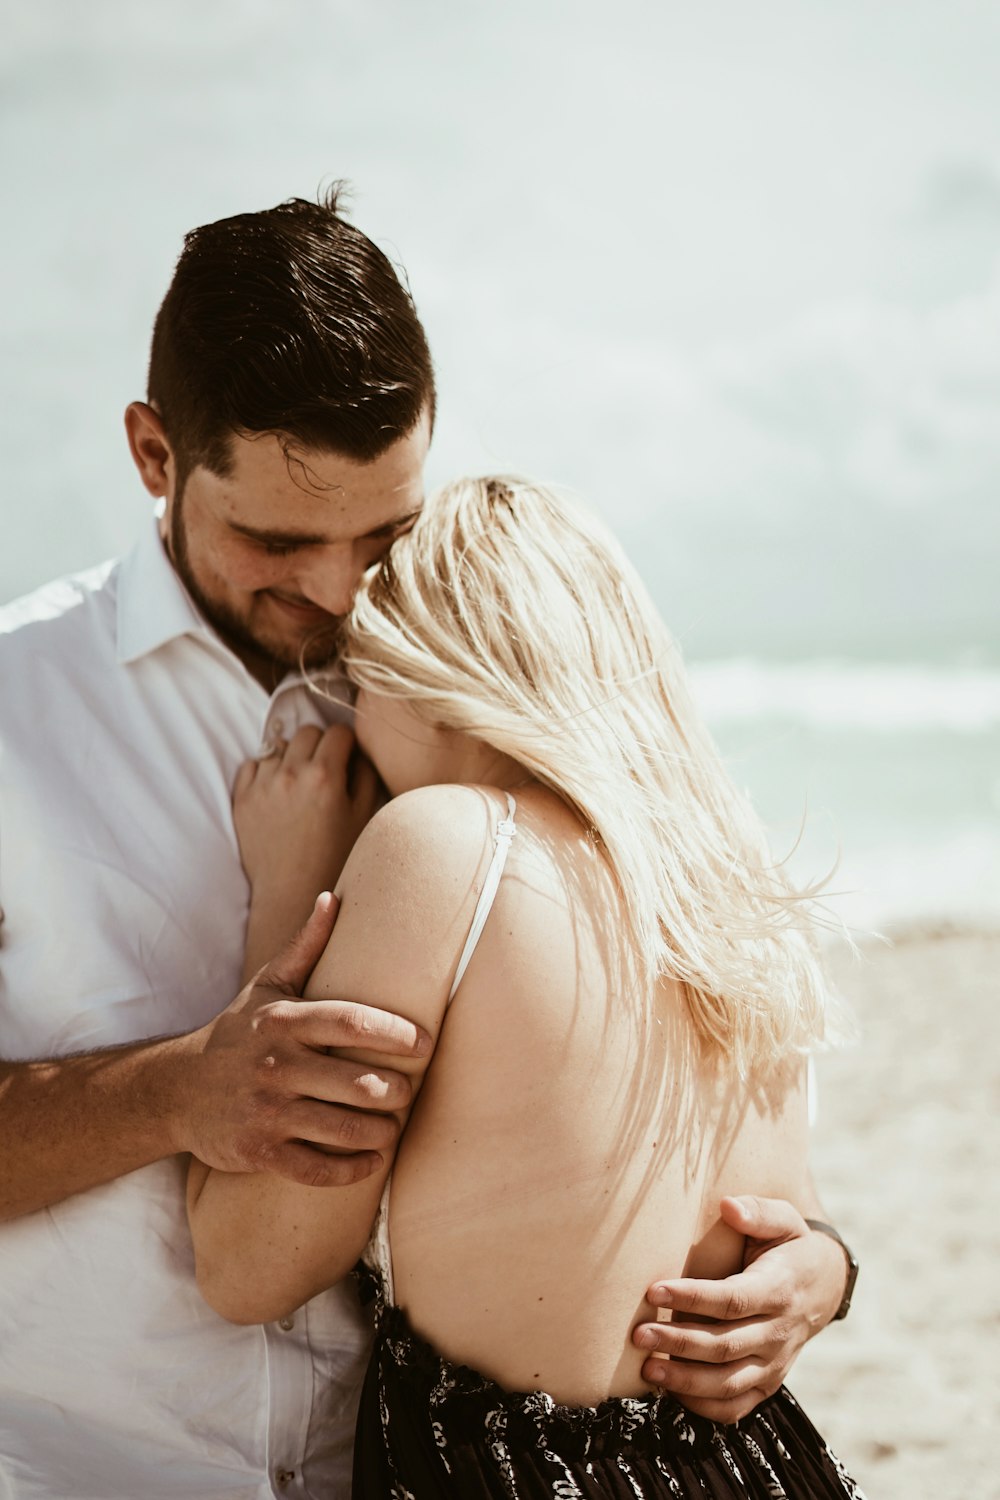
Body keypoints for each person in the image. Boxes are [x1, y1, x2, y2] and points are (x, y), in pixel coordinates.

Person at [0, 191, 854, 1500]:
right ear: (155, 455)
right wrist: (179, 1091)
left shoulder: (444, 695)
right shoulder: (18, 709)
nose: (344, 599)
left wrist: (819, 1267)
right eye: (279, 543)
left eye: (384, 540)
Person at [188, 475, 866, 1497]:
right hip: (756, 1462)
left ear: (425, 676)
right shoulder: (721, 889)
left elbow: (248, 1267)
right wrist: (831, 1269)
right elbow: (789, 1228)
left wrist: (284, 895)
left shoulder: (440, 843)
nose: (351, 719)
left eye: (358, 680)